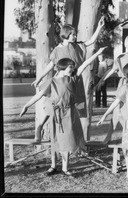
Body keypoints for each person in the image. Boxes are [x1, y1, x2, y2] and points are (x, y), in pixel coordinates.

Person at [20, 46, 107, 177]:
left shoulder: (72, 78)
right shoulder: (52, 81)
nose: (72, 70)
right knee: (55, 140)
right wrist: (26, 106)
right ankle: (53, 166)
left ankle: (65, 168)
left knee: (67, 140)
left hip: (69, 114)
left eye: (72, 68)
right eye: (70, 68)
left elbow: (84, 64)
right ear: (62, 68)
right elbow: (39, 95)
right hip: (56, 115)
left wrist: (98, 53)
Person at [31, 17, 105, 142]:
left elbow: (91, 41)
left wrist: (99, 27)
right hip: (60, 82)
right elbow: (50, 66)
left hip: (75, 81)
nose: (75, 37)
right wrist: (40, 79)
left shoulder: (78, 46)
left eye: (75, 34)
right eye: (73, 35)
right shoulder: (57, 50)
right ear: (66, 35)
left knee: (77, 107)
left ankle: (75, 139)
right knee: (55, 105)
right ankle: (40, 126)